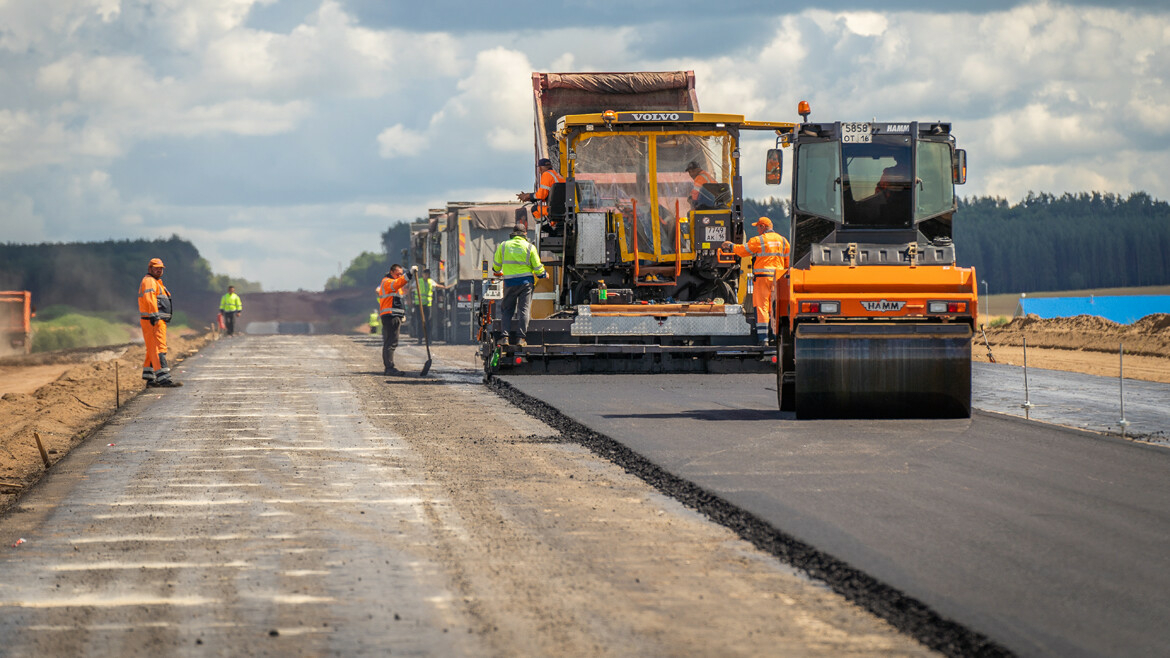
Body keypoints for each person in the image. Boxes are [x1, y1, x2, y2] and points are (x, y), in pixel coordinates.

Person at [723, 217, 790, 345]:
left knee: (761, 307)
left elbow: (743, 251)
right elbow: (787, 262)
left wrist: (730, 246)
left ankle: (763, 339)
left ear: (763, 227)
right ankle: (775, 338)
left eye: (758, 227)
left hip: (762, 278)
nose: (757, 230)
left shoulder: (759, 240)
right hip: (778, 279)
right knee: (775, 308)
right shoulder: (783, 241)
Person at [492, 225, 547, 346]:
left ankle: (505, 338)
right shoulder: (529, 247)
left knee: (507, 310)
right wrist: (544, 274)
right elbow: (538, 268)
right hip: (526, 284)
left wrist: (498, 270)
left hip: (510, 283)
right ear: (525, 233)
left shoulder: (504, 245)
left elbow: (495, 267)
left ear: (513, 233)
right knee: (524, 310)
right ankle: (521, 339)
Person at [138, 258, 181, 387]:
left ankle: (151, 378)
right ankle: (164, 378)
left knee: (152, 348)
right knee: (159, 348)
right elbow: (150, 299)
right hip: (153, 320)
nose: (159, 269)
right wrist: (154, 316)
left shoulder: (154, 281)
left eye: (161, 268)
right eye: (156, 267)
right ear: (150, 268)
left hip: (154, 319)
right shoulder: (150, 281)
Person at [376, 264, 412, 375]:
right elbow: (398, 283)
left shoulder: (393, 284)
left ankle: (389, 367)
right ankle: (389, 368)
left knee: (391, 341)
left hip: (393, 315)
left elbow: (398, 302)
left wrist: (402, 314)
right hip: (390, 316)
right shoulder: (388, 282)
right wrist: (409, 274)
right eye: (398, 274)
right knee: (391, 342)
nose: (400, 276)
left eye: (401, 274)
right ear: (391, 272)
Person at [517, 158, 565, 228]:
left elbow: (542, 195)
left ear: (540, 168)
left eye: (539, 169)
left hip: (554, 209)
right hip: (563, 209)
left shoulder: (546, 175)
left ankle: (550, 231)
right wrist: (529, 198)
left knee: (535, 209)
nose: (539, 171)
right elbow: (549, 195)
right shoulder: (557, 175)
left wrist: (528, 195)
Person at [412, 268, 446, 345]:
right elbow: (411, 288)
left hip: (427, 305)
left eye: (428, 274)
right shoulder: (418, 281)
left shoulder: (431, 282)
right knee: (420, 322)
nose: (427, 276)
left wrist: (445, 287)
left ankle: (428, 339)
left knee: (428, 322)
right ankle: (420, 339)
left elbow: (437, 285)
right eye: (425, 274)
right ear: (423, 274)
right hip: (419, 305)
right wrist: (410, 300)